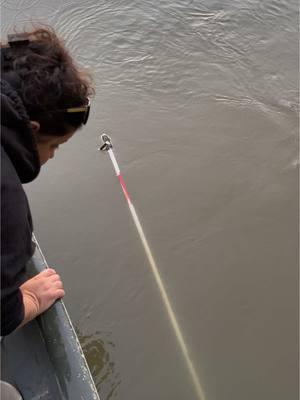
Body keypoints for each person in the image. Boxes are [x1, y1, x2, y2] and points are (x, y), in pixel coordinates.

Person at [1, 27, 94, 336]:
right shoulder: (7, 202)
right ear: (33, 128)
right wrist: (28, 298)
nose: (52, 156)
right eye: (54, 145)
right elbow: (3, 314)